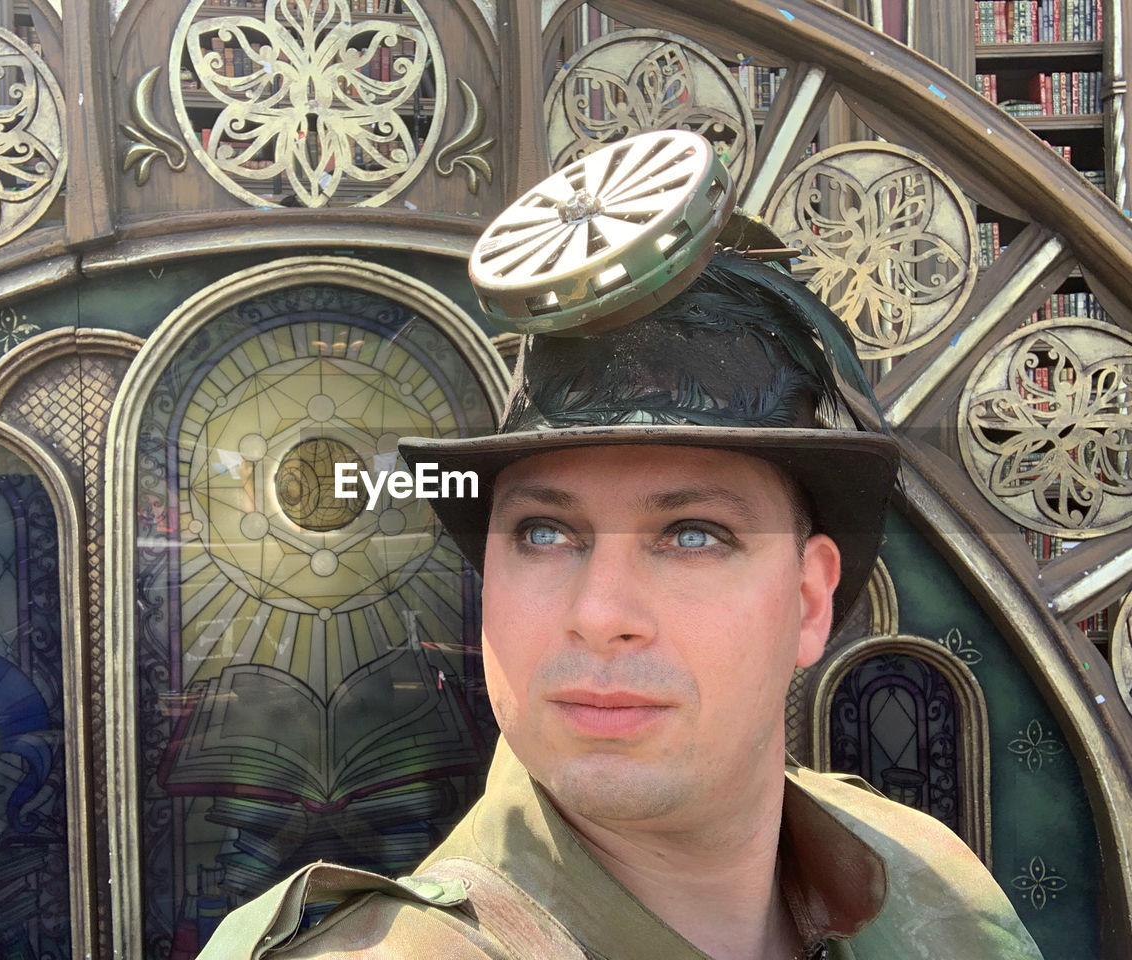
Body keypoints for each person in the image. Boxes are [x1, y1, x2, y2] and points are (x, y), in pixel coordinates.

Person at [201, 132, 1043, 959]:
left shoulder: (934, 890)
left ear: (808, 601)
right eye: (543, 532)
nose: (600, 616)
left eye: (692, 535)